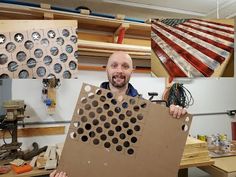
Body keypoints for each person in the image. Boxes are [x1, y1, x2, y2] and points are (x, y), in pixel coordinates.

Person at [50, 51, 187, 177]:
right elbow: (79, 147)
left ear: (132, 71)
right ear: (107, 69)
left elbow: (156, 147)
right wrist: (66, 170)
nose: (119, 71)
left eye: (125, 66)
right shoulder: (89, 104)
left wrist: (174, 115)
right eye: (114, 65)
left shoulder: (144, 107)